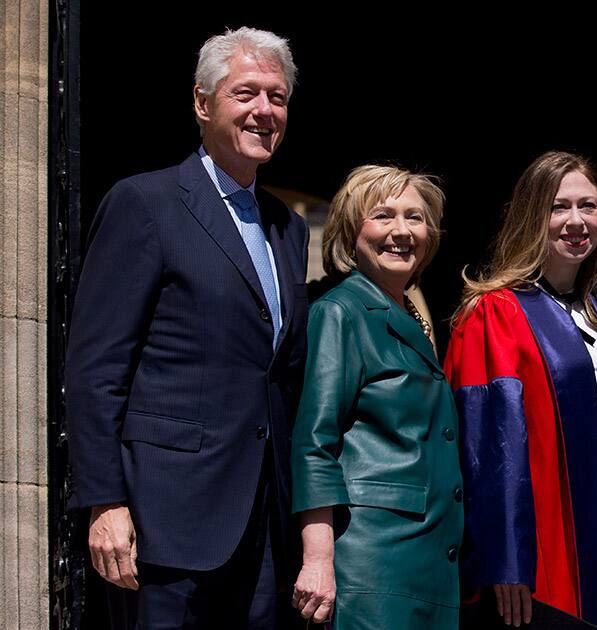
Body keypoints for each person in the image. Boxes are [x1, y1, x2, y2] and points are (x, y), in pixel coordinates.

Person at [65, 27, 307, 628]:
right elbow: (96, 367)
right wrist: (104, 501)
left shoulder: (288, 227)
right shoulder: (145, 204)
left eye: (277, 97)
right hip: (164, 522)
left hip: (261, 528)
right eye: (246, 93)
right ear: (203, 104)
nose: (264, 111)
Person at [444, 151, 597, 630]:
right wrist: (504, 561)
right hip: (544, 553)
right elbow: (485, 449)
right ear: (530, 216)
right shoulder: (494, 312)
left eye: (589, 206)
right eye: (559, 207)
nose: (577, 221)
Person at [290, 165, 464, 628]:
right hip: (371, 562)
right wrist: (318, 559)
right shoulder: (340, 312)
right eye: (384, 215)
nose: (402, 231)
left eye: (416, 217)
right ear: (351, 229)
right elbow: (314, 442)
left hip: (426, 559)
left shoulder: (408, 310)